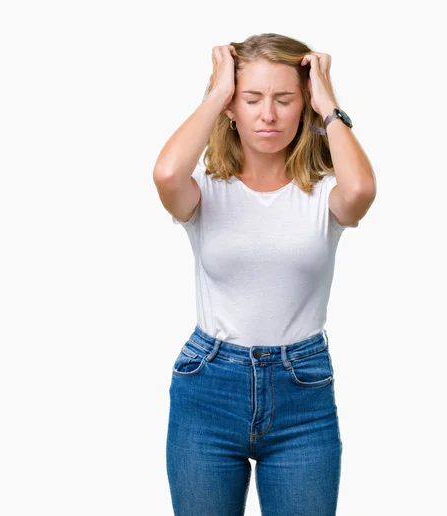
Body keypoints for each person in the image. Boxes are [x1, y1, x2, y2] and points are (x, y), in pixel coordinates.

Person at [153, 32, 376, 516]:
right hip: (208, 386)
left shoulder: (324, 194)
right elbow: (167, 176)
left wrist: (330, 104)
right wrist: (216, 92)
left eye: (284, 99)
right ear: (233, 107)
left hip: (303, 393)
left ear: (304, 107)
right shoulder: (206, 192)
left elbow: (361, 192)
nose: (268, 115)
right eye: (251, 99)